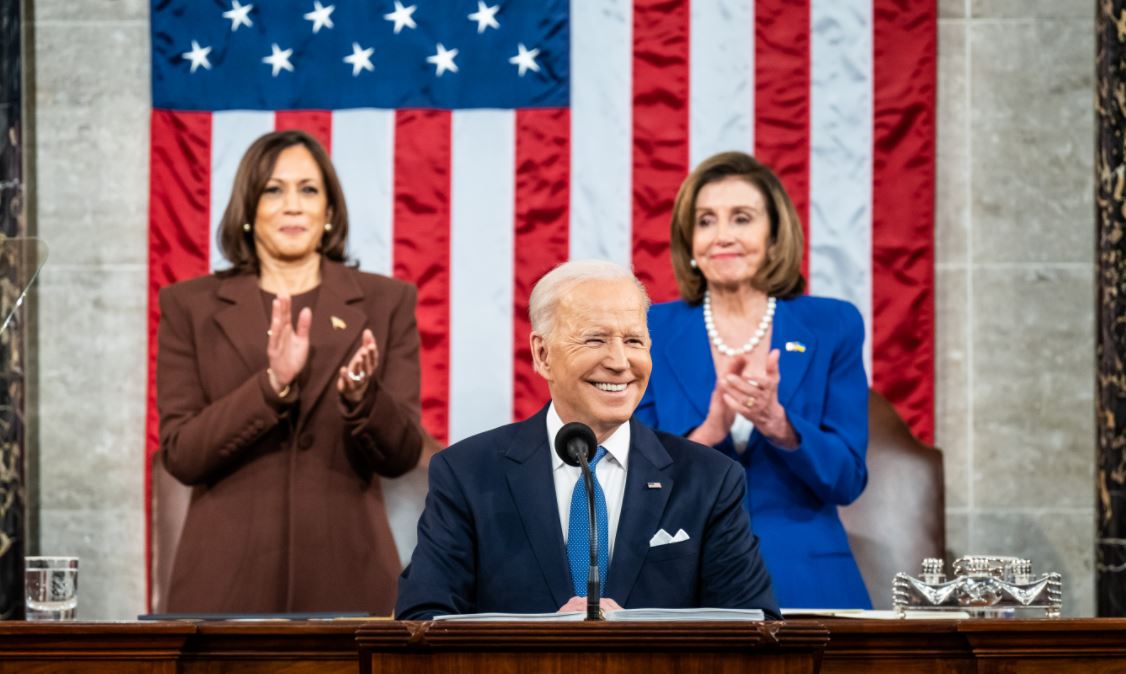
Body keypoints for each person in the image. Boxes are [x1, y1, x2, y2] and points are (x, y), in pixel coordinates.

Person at [395, 260, 779, 620]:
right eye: (595, 340)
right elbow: (423, 619)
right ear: (542, 354)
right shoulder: (468, 473)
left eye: (633, 341)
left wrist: (638, 637)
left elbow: (754, 627)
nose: (619, 361)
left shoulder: (711, 479)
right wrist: (542, 639)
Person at [157, 130, 424, 613]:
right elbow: (181, 455)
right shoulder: (188, 306)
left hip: (350, 580)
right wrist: (271, 386)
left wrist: (364, 400)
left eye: (308, 189)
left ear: (329, 212)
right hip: (223, 584)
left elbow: (403, 454)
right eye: (273, 190)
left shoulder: (387, 302)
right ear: (248, 209)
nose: (293, 205)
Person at [634, 151, 871, 609]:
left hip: (808, 577)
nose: (722, 236)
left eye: (741, 218)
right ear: (690, 242)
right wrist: (710, 432)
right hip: (684, 577)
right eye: (705, 221)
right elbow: (636, 485)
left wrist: (780, 425)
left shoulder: (832, 325)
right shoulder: (651, 330)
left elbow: (847, 479)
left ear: (775, 236)